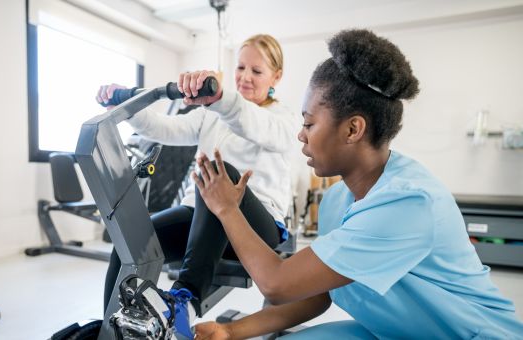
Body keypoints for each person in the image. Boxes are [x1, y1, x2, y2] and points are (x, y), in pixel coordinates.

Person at [192, 29, 523, 339]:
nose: (301, 135)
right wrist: (231, 332)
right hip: (392, 330)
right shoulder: (338, 199)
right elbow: (315, 296)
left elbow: (276, 284)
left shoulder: (408, 203)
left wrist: (227, 208)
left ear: (353, 130)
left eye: (309, 123)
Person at [96, 34, 299, 338]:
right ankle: (112, 330)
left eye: (256, 72)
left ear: (276, 77)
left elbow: (251, 123)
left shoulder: (282, 119)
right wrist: (125, 105)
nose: (244, 77)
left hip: (257, 226)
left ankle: (184, 300)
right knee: (130, 245)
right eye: (241, 67)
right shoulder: (213, 114)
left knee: (218, 174)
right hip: (200, 215)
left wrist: (220, 100)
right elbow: (164, 128)